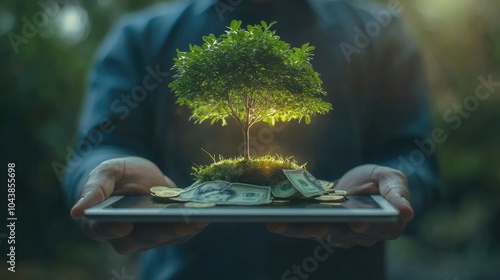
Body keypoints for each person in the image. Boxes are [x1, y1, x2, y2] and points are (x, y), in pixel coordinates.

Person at [64, 0, 437, 279]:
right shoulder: (140, 38)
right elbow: (98, 147)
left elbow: (411, 152)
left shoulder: (380, 31)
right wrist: (100, 178)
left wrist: (393, 187)